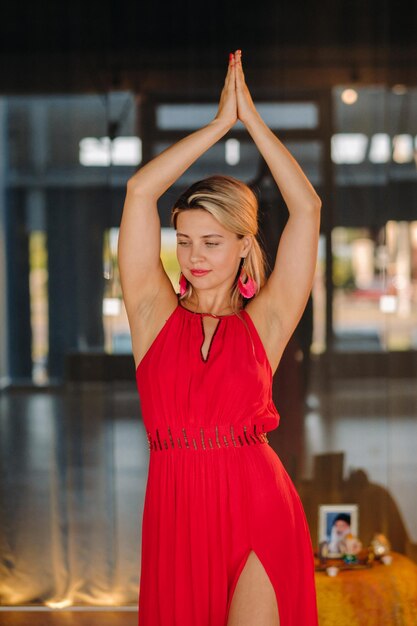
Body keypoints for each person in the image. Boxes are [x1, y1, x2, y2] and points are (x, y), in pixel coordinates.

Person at [118, 49, 321, 626]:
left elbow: (306, 208)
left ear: (242, 245)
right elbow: (138, 193)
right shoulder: (153, 314)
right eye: (184, 239)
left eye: (212, 241)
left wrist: (252, 122)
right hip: (176, 514)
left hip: (259, 505)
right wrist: (216, 126)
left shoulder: (267, 323)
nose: (194, 255)